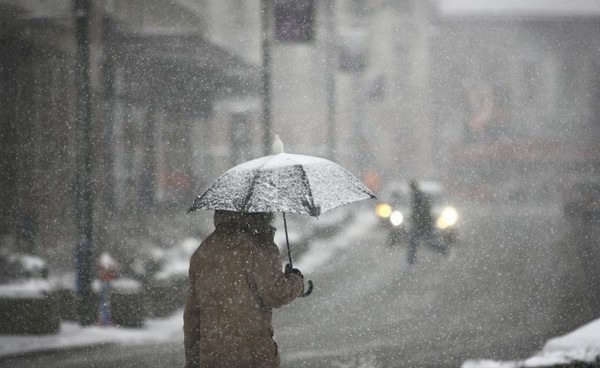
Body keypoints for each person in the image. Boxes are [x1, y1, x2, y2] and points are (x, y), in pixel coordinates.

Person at [183, 210, 305, 368]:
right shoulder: (261, 246)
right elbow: (276, 294)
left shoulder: (204, 250)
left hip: (212, 356)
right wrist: (296, 280)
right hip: (253, 354)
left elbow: (192, 315)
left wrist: (193, 360)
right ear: (262, 212)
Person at [406, 180, 448, 265]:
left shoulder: (418, 196)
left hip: (423, 224)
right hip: (423, 224)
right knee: (419, 243)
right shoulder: (418, 196)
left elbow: (422, 211)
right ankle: (410, 261)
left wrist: (417, 218)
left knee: (421, 243)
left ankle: (444, 250)